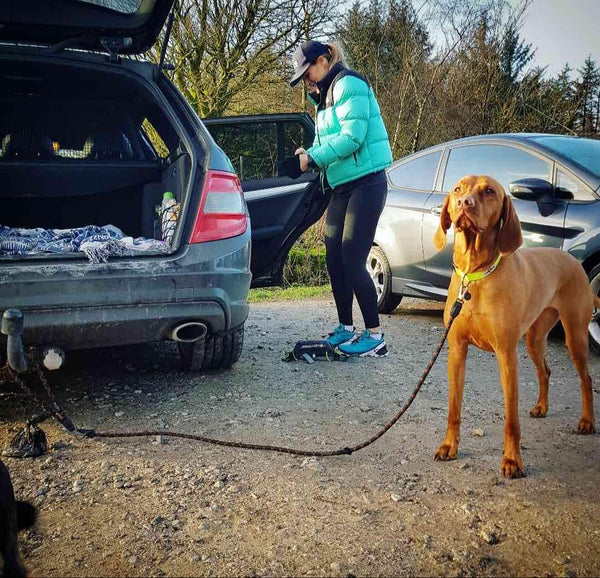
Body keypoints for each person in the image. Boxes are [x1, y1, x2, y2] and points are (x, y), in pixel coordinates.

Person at [289, 40, 393, 357]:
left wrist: (312, 160)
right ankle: (345, 329)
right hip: (342, 184)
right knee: (333, 254)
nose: (306, 81)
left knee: (351, 256)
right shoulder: (325, 97)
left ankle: (375, 336)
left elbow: (352, 137)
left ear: (323, 61)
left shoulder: (349, 84)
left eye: (308, 73)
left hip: (367, 182)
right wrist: (308, 153)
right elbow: (327, 141)